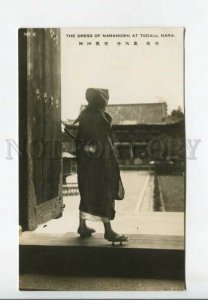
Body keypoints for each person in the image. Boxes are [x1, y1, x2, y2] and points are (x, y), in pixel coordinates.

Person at [74, 88, 128, 243]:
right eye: (105, 100)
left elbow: (83, 142)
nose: (106, 103)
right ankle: (108, 231)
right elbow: (101, 142)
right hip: (100, 163)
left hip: (87, 162)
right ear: (100, 101)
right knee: (105, 193)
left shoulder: (85, 115)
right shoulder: (98, 117)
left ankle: (82, 226)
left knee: (86, 192)